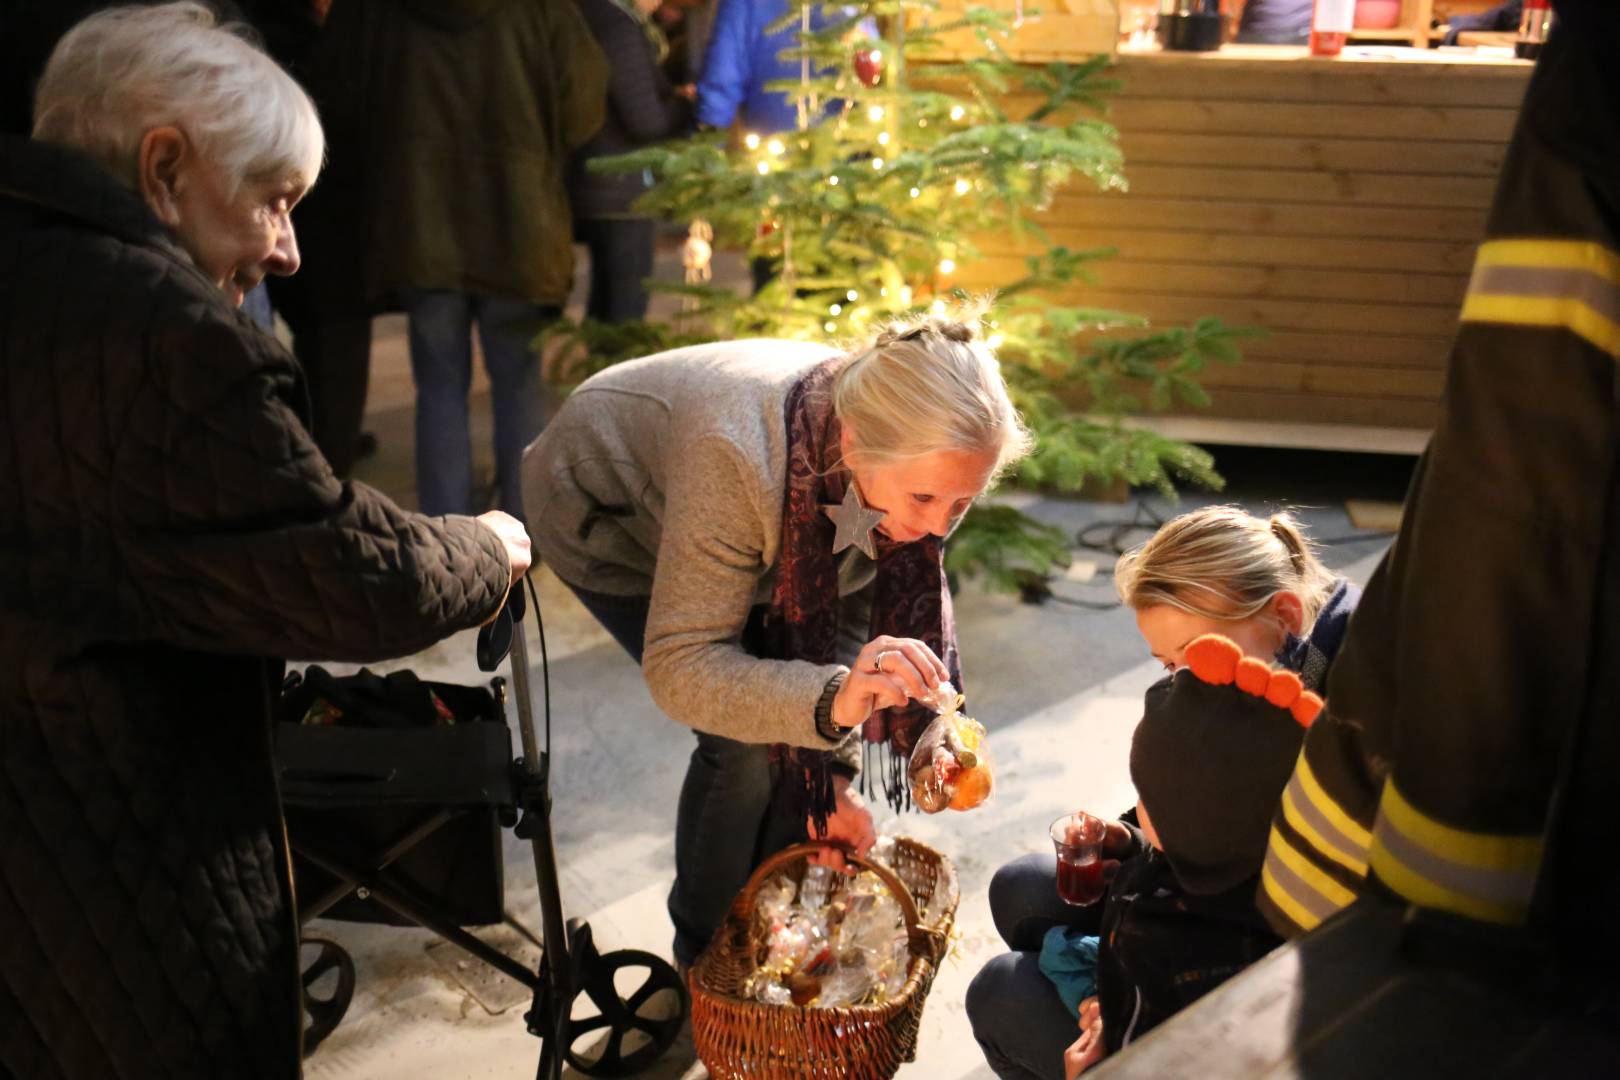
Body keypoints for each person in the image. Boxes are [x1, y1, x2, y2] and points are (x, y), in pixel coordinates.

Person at [0, 5, 532, 1075]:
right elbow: (339, 571)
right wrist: (486, 547)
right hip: (113, 872)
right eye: (273, 201)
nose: (286, 249)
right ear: (163, 169)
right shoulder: (162, 337)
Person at [521, 314, 1033, 968]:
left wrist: (835, 779)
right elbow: (683, 666)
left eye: (960, 504)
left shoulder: (920, 473)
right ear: (853, 443)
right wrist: (835, 703)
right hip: (608, 514)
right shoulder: (736, 454)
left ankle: (778, 919)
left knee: (790, 715)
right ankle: (708, 961)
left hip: (741, 521)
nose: (935, 528)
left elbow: (854, 618)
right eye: (927, 498)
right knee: (739, 740)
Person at [966, 506, 1360, 1079]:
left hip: (1245, 964)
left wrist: (1125, 1017)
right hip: (1177, 904)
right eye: (1168, 663)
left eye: (1197, 655)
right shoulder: (1269, 682)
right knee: (1019, 887)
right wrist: (1128, 837)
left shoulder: (1331, 735)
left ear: (1284, 617)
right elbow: (1199, 805)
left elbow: (1255, 952)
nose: (1180, 681)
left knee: (1000, 990)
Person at [296, 0, 609, 518]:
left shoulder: (377, 12)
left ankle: (449, 528)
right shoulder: (543, 8)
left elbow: (336, 96)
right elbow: (584, 102)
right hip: (519, 222)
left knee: (437, 387)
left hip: (418, 221)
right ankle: (524, 528)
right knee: (519, 384)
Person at [571, 0, 695, 324]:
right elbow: (645, 120)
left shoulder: (587, 14)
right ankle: (611, 373)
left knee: (603, 304)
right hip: (621, 184)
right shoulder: (618, 26)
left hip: (593, 178)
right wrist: (684, 104)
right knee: (623, 311)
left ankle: (596, 368)